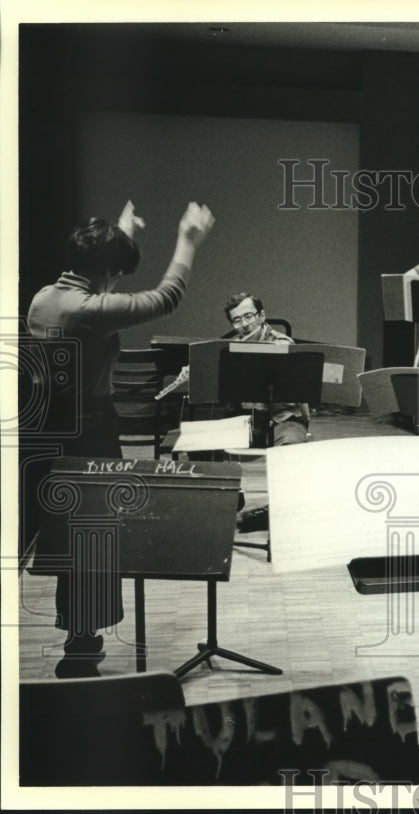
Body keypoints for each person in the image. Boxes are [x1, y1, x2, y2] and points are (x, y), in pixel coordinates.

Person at [25, 199, 215, 678]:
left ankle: (80, 643)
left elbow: (99, 292)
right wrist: (187, 241)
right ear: (105, 270)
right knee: (91, 546)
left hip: (52, 432)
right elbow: (166, 297)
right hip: (89, 435)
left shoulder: (46, 297)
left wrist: (122, 237)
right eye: (116, 271)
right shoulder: (87, 311)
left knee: (76, 546)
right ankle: (80, 659)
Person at [168, 293, 310, 448]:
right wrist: (199, 371)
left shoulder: (283, 343)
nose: (244, 324)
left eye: (249, 316)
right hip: (244, 420)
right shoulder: (228, 350)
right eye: (237, 320)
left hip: (283, 419)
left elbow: (296, 387)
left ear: (262, 316)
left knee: (290, 446)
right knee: (200, 447)